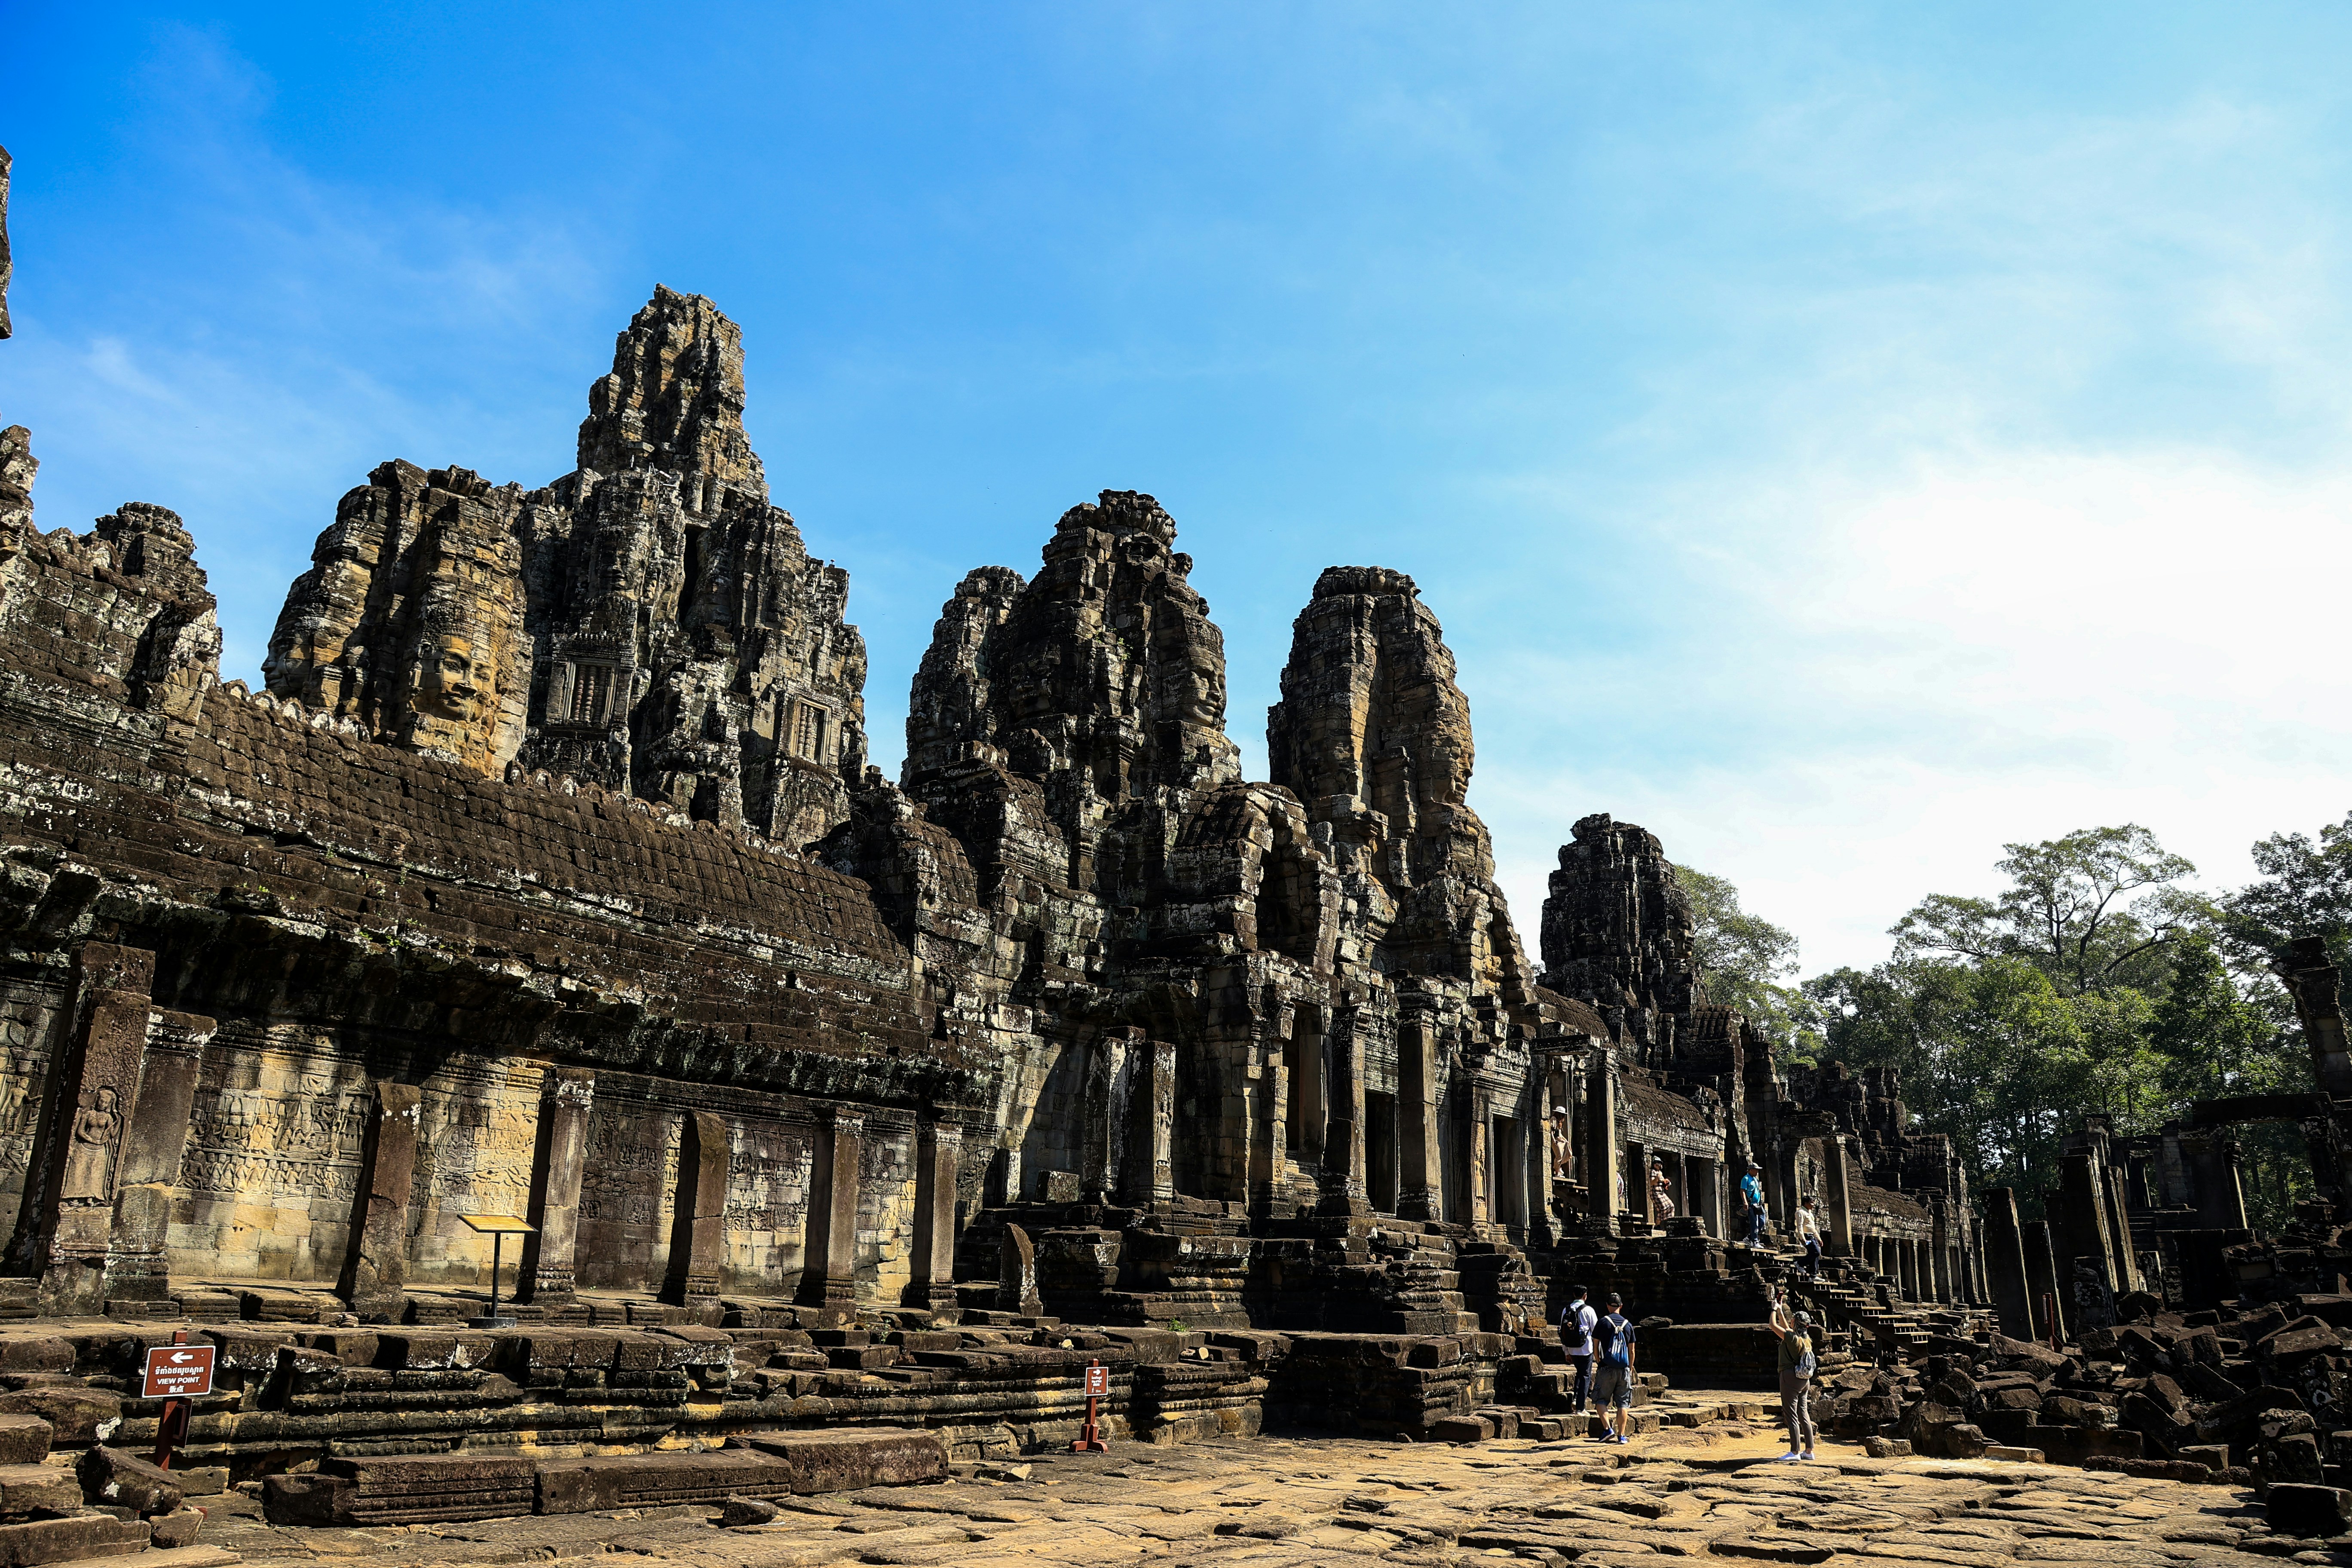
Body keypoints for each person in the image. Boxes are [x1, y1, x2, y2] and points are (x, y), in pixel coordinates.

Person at [1768, 1297, 1818, 1461]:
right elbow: (1786, 1327)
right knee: (1804, 1414)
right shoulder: (1806, 1339)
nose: (1790, 1321)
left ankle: (1795, 1452)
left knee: (1791, 1415)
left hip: (1790, 1377)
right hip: (1805, 1380)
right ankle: (1809, 1451)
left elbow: (1773, 1326)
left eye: (1793, 1319)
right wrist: (1781, 1309)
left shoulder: (1791, 1338)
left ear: (1796, 1322)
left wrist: (1774, 1310)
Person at [1590, 1291, 1638, 1444]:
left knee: (1601, 1401)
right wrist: (1630, 1367)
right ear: (1621, 1306)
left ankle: (1607, 1429)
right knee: (1623, 1403)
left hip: (1606, 1367)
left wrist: (1599, 1361)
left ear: (1607, 1306)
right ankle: (1622, 1436)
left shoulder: (1603, 1322)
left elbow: (1596, 1345)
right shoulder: (1628, 1325)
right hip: (1624, 1369)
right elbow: (1632, 1350)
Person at [1559, 1284, 1599, 1415]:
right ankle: (1581, 1408)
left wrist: (1566, 1351)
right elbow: (1596, 1332)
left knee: (1580, 1374)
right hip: (1586, 1349)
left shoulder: (1566, 1310)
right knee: (1586, 1376)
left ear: (1574, 1295)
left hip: (1571, 1349)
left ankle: (1576, 1399)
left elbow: (1562, 1332)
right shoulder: (1589, 1310)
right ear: (1585, 1296)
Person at [1795, 1194, 1823, 1279]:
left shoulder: (1809, 1213)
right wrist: (1802, 1238)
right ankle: (1800, 1264)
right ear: (1805, 1203)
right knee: (1816, 1252)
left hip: (1812, 1236)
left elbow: (1813, 1227)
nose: (1813, 1205)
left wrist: (1818, 1238)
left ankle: (1813, 1275)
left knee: (1816, 1254)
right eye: (1811, 1203)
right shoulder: (1800, 1212)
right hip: (1806, 1236)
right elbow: (1799, 1226)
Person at [1741, 1161, 1768, 1246]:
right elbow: (1743, 1191)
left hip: (1758, 1205)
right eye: (1756, 1170)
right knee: (1754, 1223)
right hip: (1751, 1205)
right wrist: (1745, 1202)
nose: (1757, 1172)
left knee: (1762, 1222)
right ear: (1751, 1170)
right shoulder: (1746, 1179)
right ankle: (1755, 1242)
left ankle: (1750, 1237)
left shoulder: (1755, 1180)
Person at [1648, 1159, 1675, 1227]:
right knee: (1663, 1208)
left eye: (1659, 1163)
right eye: (1657, 1163)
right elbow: (1652, 1183)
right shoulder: (1653, 1172)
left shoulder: (1660, 1172)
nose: (1658, 1165)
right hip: (1655, 1193)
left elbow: (1663, 1182)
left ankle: (1670, 1223)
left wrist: (1666, 1182)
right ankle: (1658, 1225)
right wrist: (1657, 1177)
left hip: (1662, 1193)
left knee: (1671, 1206)